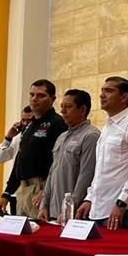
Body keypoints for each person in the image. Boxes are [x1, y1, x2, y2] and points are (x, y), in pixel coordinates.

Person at [76, 77, 128, 230]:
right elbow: (101, 171)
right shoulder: (107, 128)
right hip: (98, 209)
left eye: (109, 91)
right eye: (102, 90)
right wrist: (89, 199)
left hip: (121, 210)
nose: (102, 95)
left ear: (124, 97)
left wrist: (121, 202)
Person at [0, 80, 67, 218]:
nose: (34, 99)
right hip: (22, 188)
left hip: (41, 187)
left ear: (52, 99)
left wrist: (46, 190)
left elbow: (59, 162)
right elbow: (20, 161)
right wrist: (6, 193)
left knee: (38, 232)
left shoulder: (57, 123)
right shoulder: (30, 126)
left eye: (40, 95)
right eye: (32, 95)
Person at [36, 89, 100, 222]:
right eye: (62, 107)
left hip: (73, 214)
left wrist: (70, 208)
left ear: (82, 110)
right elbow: (52, 172)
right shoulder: (61, 137)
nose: (63, 112)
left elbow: (86, 175)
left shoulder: (91, 136)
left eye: (68, 107)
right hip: (53, 211)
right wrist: (44, 205)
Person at [0, 105, 33, 215]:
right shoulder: (17, 138)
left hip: (31, 191)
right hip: (14, 192)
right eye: (23, 120)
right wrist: (8, 138)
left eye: (29, 120)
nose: (25, 123)